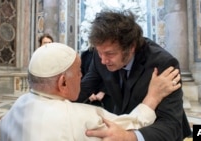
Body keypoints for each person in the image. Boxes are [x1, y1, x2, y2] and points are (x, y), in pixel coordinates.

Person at [0, 43, 181, 141]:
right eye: (79, 71)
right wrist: (153, 96)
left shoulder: (15, 108)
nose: (83, 76)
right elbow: (131, 126)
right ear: (63, 82)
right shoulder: (82, 119)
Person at [76, 10, 191, 141]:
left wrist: (130, 137)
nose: (103, 60)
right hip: (127, 124)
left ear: (131, 47)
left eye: (110, 54)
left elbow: (171, 126)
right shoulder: (101, 54)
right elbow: (83, 89)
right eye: (100, 53)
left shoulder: (162, 64)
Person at [81, 47, 114, 112]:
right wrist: (88, 93)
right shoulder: (86, 54)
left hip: (107, 92)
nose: (103, 60)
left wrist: (103, 91)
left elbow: (113, 74)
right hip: (91, 93)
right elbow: (88, 76)